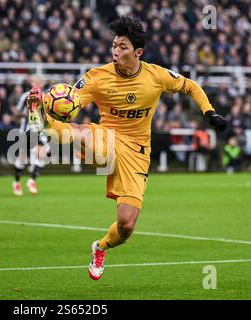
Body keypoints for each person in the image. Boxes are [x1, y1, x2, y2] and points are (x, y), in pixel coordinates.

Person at [26, 17, 227, 280]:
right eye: (114, 45)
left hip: (137, 152)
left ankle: (100, 247)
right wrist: (51, 113)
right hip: (107, 139)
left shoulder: (156, 76)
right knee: (82, 132)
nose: (115, 51)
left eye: (122, 47)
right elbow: (71, 106)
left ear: (137, 52)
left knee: (126, 225)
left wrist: (209, 112)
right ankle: (40, 121)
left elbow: (190, 86)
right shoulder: (96, 77)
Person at [12, 76, 50, 196]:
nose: (38, 83)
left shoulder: (46, 97)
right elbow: (16, 115)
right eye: (36, 81)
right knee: (23, 158)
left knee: (43, 154)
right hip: (26, 130)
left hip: (40, 131)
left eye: (40, 82)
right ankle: (17, 182)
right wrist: (30, 115)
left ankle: (31, 180)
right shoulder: (25, 96)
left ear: (43, 84)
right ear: (31, 83)